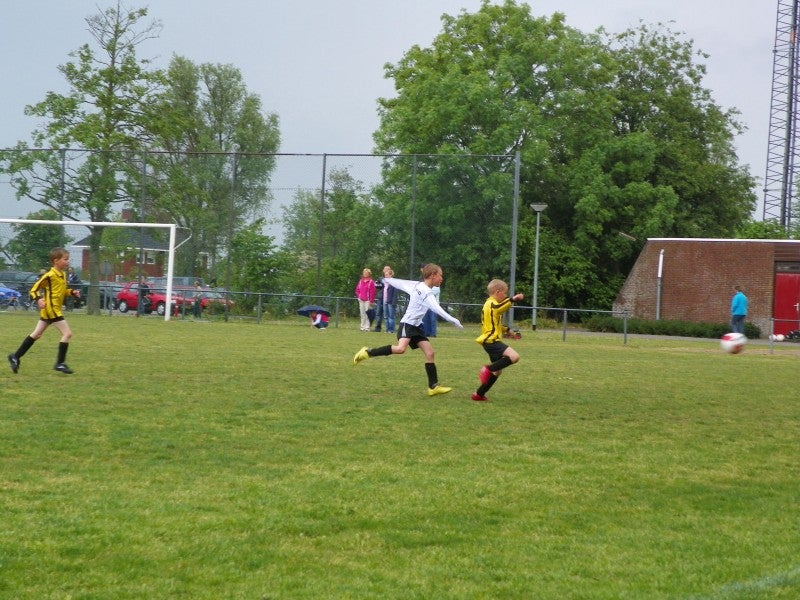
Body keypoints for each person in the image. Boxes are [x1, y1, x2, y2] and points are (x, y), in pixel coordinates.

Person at [353, 263, 463, 396]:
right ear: (433, 275)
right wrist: (453, 320)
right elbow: (436, 308)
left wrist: (386, 279)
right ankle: (368, 352)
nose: (442, 279)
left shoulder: (417, 285)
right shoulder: (426, 292)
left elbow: (400, 283)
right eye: (440, 275)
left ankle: (433, 387)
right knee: (400, 349)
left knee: (430, 353)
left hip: (416, 326)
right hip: (408, 324)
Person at [7, 247, 81, 375]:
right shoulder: (49, 275)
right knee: (67, 334)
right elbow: (34, 289)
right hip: (51, 309)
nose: (68, 261)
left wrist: (72, 292)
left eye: (68, 259)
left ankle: (15, 356)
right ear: (56, 261)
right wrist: (39, 299)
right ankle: (60, 363)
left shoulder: (62, 275)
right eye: (65, 259)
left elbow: (62, 291)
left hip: (51, 310)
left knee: (36, 334)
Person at [472, 279, 524, 402]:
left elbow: (496, 324)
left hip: (489, 341)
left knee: (497, 371)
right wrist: (513, 299)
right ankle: (487, 369)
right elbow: (500, 307)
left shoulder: (490, 304)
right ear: (498, 292)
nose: (505, 296)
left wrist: (508, 330)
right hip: (492, 341)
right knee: (514, 357)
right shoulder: (492, 303)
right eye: (504, 293)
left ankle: (479, 394)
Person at [382, 266, 398, 333]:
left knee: (391, 317)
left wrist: (393, 302)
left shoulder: (394, 283)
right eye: (385, 275)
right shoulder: (385, 283)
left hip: (391, 302)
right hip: (384, 301)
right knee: (386, 316)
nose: (385, 276)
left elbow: (395, 294)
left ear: (391, 275)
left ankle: (391, 330)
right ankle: (387, 329)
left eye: (387, 275)